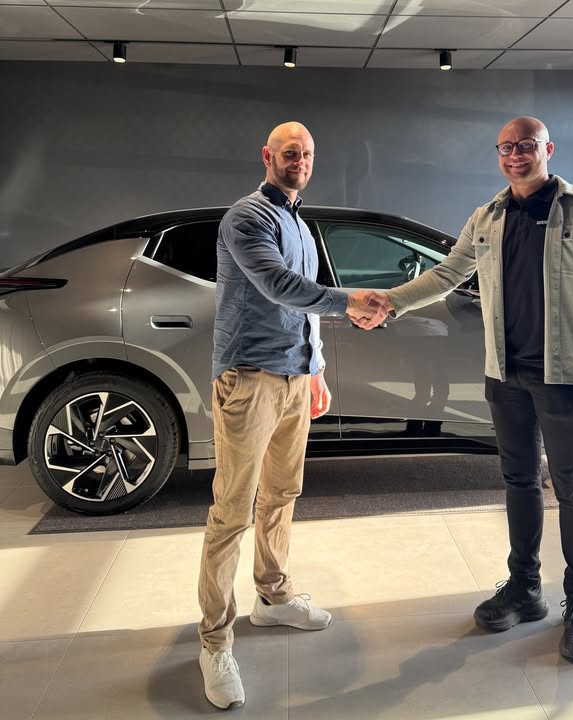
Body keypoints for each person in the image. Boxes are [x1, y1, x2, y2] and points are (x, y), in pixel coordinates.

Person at [363, 116, 573, 662]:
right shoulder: (487, 217)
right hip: (505, 375)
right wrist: (392, 301)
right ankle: (525, 588)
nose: (515, 156)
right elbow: (447, 274)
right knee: (518, 481)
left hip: (565, 377)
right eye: (506, 148)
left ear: (548, 149)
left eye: (525, 146)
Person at [197, 121, 385, 709]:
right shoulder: (246, 217)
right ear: (268, 156)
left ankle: (273, 597)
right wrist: (350, 301)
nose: (299, 161)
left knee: (282, 493)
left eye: (306, 154)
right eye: (289, 153)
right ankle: (214, 642)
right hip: (249, 378)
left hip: (294, 379)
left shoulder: (299, 222)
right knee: (232, 510)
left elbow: (302, 307)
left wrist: (316, 368)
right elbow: (279, 286)